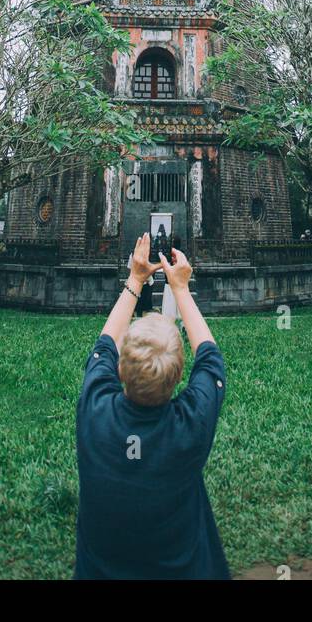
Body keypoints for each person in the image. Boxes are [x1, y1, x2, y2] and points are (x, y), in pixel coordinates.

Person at [75, 232, 230, 580]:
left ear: (118, 370)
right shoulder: (190, 427)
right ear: (179, 381)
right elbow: (210, 358)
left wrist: (135, 278)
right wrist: (181, 289)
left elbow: (104, 344)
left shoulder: (96, 414)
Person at [161, 235, 183, 326]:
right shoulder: (182, 254)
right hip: (178, 283)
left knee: (169, 307)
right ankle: (182, 323)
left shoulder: (168, 254)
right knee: (180, 306)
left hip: (170, 283)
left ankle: (170, 323)